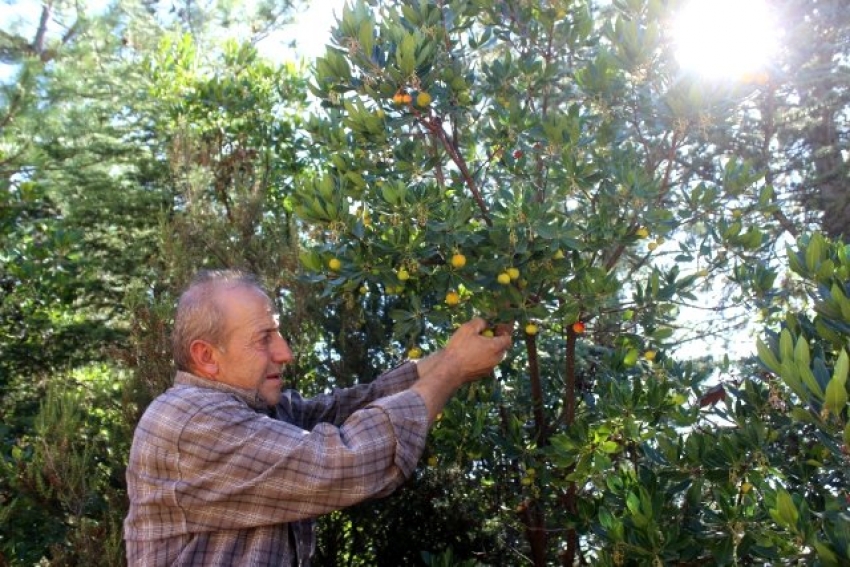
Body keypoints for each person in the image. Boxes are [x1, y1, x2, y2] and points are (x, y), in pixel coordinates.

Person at [124, 269, 511, 566]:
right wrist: (454, 368)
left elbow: (347, 408)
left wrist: (451, 357)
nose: (285, 352)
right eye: (264, 338)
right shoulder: (191, 421)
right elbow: (345, 460)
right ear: (207, 356)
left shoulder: (253, 410)